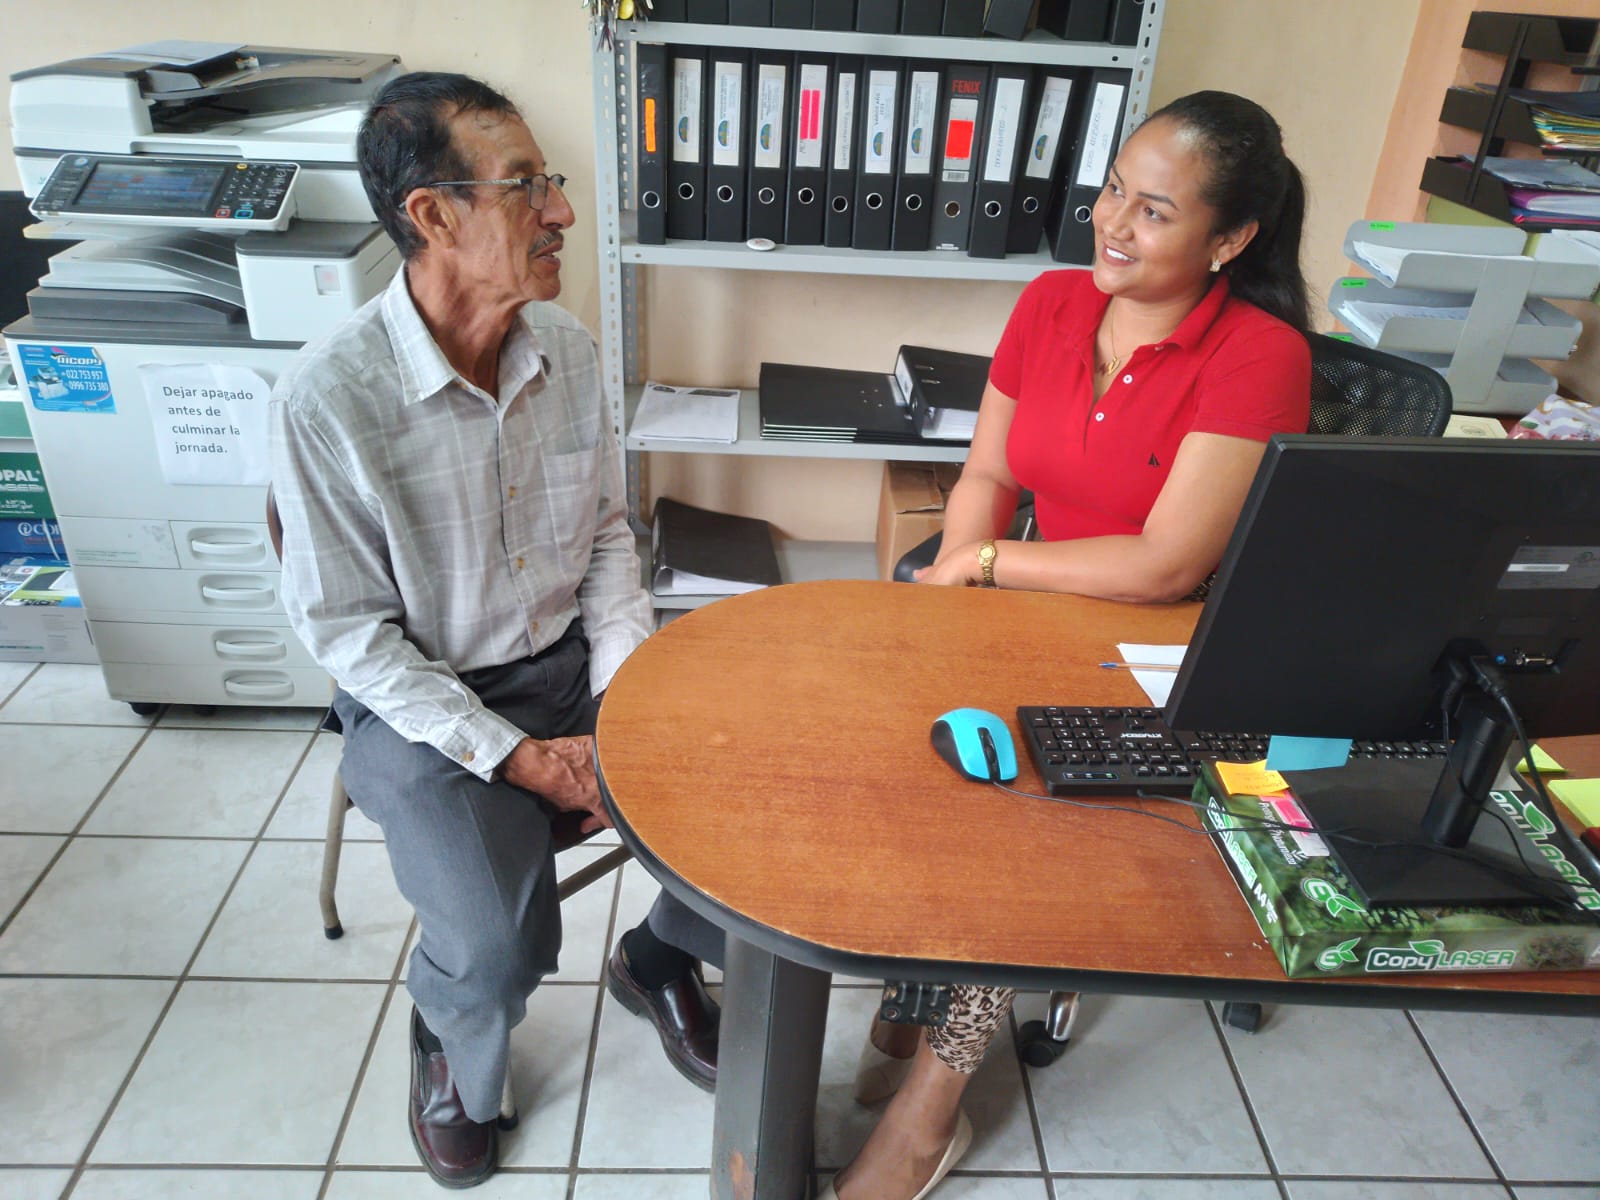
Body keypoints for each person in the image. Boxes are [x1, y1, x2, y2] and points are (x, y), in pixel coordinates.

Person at [822, 90, 1314, 1200]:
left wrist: (991, 566)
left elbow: (1167, 566)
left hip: (1165, 647)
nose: (1112, 225)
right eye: (1111, 191)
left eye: (1154, 211)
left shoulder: (1261, 355)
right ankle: (909, 989)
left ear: (1229, 239)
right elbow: (989, 474)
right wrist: (957, 579)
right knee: (921, 765)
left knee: (1025, 834)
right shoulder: (1051, 302)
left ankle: (930, 1108)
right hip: (1034, 599)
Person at [269, 72, 724, 1190]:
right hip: (421, 705)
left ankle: (659, 956)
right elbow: (351, 635)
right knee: (499, 942)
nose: (559, 212)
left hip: (572, 664)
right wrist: (523, 758)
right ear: (431, 215)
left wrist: (620, 701)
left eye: (547, 183)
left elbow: (607, 538)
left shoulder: (565, 348)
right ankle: (447, 1034)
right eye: (526, 187)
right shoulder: (328, 399)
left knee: (749, 816)